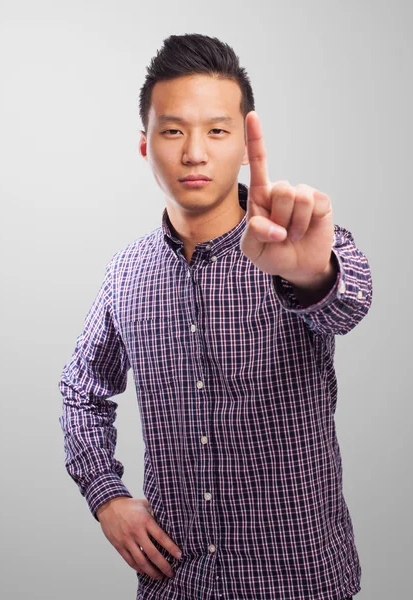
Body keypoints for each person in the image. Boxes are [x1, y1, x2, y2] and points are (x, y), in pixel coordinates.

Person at [58, 33, 372, 600]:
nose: (194, 152)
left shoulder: (296, 244)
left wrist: (310, 275)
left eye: (217, 130)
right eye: (173, 130)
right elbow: (80, 389)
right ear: (144, 144)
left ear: (246, 145)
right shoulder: (126, 273)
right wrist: (106, 496)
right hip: (177, 583)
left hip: (299, 580)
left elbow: (348, 303)